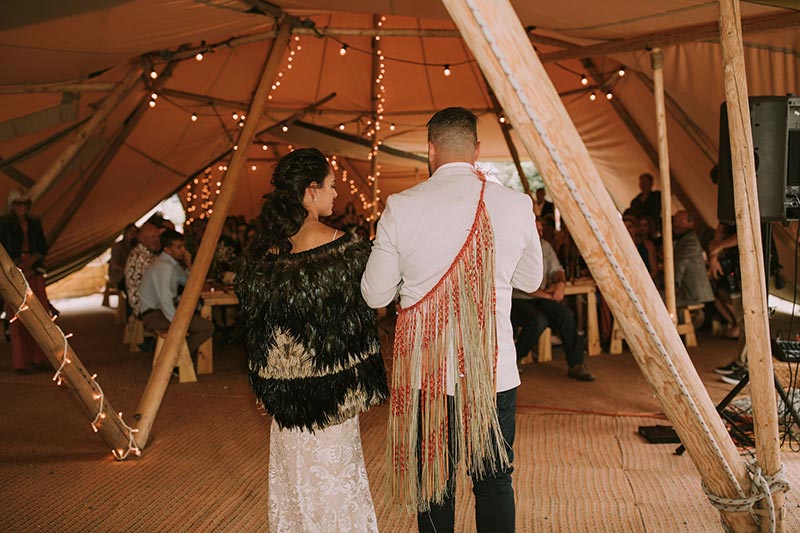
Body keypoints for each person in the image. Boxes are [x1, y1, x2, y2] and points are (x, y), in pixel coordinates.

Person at [361, 107, 543, 533]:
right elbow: (532, 280)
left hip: (427, 375)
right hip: (493, 373)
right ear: (477, 150)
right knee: (495, 482)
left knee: (435, 485)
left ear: (430, 150)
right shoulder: (516, 203)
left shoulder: (400, 206)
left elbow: (375, 294)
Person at [235, 148, 389, 532]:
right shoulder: (344, 248)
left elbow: (258, 329)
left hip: (285, 397)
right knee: (336, 479)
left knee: (296, 480)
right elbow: (368, 309)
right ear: (311, 190)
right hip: (333, 395)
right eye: (332, 186)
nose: (336, 194)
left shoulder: (263, 253)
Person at [513, 220, 595, 381]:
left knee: (565, 314)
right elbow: (516, 283)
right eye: (536, 229)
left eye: (541, 229)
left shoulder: (545, 247)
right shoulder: (516, 247)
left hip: (540, 298)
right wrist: (549, 295)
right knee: (538, 320)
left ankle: (576, 364)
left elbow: (557, 269)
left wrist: (560, 283)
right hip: (517, 299)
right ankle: (515, 358)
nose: (540, 232)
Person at [138, 229, 213, 355]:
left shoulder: (170, 264)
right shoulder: (164, 267)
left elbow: (189, 282)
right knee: (207, 327)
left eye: (183, 246)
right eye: (179, 247)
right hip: (153, 315)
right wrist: (177, 323)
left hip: (159, 311)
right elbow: (164, 299)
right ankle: (177, 357)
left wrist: (189, 264)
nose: (183, 250)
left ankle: (177, 354)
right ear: (167, 249)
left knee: (196, 312)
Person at [0, 189, 50, 374]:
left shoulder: (35, 222)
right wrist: (18, 266)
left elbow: (42, 246)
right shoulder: (4, 224)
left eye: (25, 204)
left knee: (41, 314)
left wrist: (31, 263)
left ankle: (41, 358)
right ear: (12, 205)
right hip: (14, 273)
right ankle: (21, 362)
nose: (22, 208)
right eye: (18, 204)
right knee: (19, 317)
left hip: (34, 270)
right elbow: (4, 250)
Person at [672, 210, 714, 308]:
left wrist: (673, 285)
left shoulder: (690, 241)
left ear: (691, 223)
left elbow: (680, 264)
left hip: (693, 293)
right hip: (691, 291)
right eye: (675, 221)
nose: (676, 224)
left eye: (680, 221)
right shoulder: (683, 239)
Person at [124, 222, 162, 318]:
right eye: (152, 237)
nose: (157, 240)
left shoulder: (147, 253)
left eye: (158, 237)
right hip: (145, 308)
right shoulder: (141, 257)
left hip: (147, 305)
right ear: (142, 240)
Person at [108, 223, 138, 291]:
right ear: (126, 233)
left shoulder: (135, 247)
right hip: (120, 277)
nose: (133, 234)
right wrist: (128, 269)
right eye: (131, 231)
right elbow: (114, 264)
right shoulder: (118, 246)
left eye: (135, 232)